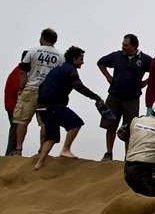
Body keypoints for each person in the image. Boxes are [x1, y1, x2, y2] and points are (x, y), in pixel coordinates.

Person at [34, 46, 105, 170]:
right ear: (74, 59)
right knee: (76, 123)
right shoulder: (70, 69)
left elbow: (42, 86)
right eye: (81, 59)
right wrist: (96, 97)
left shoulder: (56, 69)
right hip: (54, 105)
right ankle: (65, 149)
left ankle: (39, 163)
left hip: (42, 106)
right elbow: (79, 86)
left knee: (51, 137)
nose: (83, 62)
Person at [97, 34, 153, 161]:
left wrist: (146, 82)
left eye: (126, 45)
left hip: (132, 99)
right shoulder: (117, 55)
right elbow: (100, 62)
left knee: (129, 129)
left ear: (134, 46)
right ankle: (109, 153)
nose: (123, 46)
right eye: (123, 44)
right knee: (110, 126)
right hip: (114, 96)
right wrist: (108, 77)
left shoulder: (144, 59)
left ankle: (128, 157)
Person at [13, 28, 63, 156]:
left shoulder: (32, 51)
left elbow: (23, 72)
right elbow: (61, 76)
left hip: (31, 88)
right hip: (48, 92)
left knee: (22, 120)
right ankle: (42, 150)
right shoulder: (60, 57)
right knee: (45, 123)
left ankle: (18, 149)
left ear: (42, 38)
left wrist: (21, 88)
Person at [4, 54, 25, 155]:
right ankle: (11, 152)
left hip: (13, 105)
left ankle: (12, 151)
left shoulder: (19, 71)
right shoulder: (19, 72)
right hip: (13, 105)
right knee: (15, 127)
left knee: (16, 127)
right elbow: (20, 89)